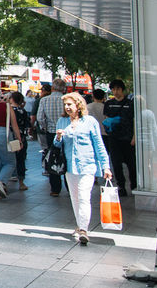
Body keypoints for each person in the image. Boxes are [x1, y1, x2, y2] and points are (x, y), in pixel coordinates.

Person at [55, 92, 113, 245]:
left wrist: (106, 166)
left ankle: (83, 229)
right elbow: (56, 145)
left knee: (83, 196)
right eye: (65, 105)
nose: (67, 107)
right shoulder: (62, 122)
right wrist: (58, 137)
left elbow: (99, 145)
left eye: (69, 104)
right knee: (75, 198)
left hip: (87, 165)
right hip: (70, 166)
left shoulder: (89, 121)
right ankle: (80, 225)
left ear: (78, 105)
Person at [102, 79, 137, 196]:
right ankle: (121, 186)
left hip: (127, 139)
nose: (115, 91)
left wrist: (134, 137)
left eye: (118, 89)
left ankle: (134, 185)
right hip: (114, 138)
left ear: (122, 89)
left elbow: (134, 120)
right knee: (116, 164)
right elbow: (106, 120)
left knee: (132, 164)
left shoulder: (130, 103)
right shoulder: (108, 104)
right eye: (113, 89)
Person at [9, 92, 32, 191]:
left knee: (10, 158)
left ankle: (10, 175)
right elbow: (28, 124)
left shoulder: (9, 111)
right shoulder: (23, 111)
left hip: (11, 137)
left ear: (12, 99)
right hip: (21, 137)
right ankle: (21, 181)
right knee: (20, 159)